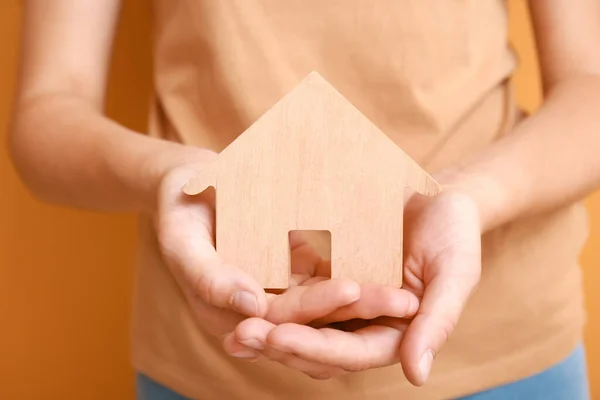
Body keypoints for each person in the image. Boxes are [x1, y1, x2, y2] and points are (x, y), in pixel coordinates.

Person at [8, 0, 599, 399]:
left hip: (507, 351)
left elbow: (590, 89)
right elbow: (47, 111)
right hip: (211, 365)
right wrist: (176, 178)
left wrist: (468, 198)